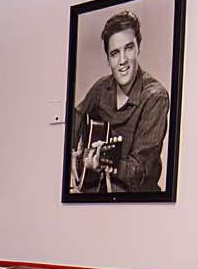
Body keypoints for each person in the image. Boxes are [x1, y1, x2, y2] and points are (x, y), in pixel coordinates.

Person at [71, 10, 169, 193]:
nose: (122, 60)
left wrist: (104, 160)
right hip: (103, 192)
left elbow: (139, 172)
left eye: (128, 48)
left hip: (141, 203)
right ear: (108, 60)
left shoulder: (155, 97)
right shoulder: (102, 88)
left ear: (138, 48)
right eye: (115, 53)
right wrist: (70, 155)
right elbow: (75, 117)